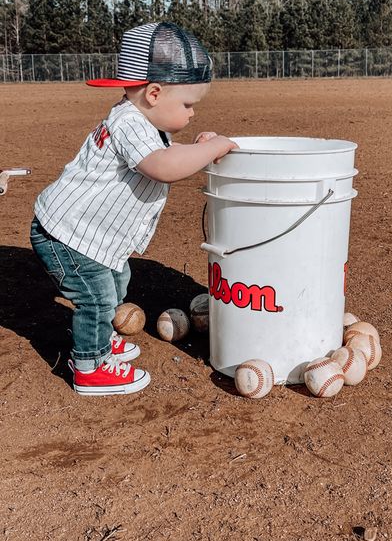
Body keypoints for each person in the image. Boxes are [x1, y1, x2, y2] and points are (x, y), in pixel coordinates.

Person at [30, 21, 238, 396]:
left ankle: (101, 338)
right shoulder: (128, 122)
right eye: (188, 105)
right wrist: (212, 148)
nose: (191, 114)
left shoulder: (142, 119)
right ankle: (89, 367)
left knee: (117, 281)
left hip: (88, 235)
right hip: (67, 235)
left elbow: (167, 153)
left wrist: (198, 145)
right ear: (154, 93)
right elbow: (162, 166)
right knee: (96, 297)